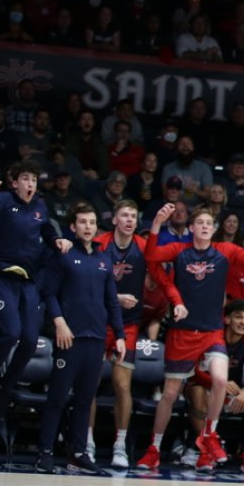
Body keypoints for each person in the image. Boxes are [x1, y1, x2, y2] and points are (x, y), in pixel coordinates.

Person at [134, 206, 244, 470]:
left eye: (208, 223)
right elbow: (152, 254)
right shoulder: (179, 250)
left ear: (214, 229)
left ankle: (209, 436)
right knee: (169, 394)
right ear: (191, 228)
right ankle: (154, 448)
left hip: (211, 332)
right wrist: (156, 222)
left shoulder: (226, 250)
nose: (203, 226)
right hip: (182, 332)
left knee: (221, 379)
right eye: (199, 222)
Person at [0, 159, 69, 416]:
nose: (30, 184)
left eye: (34, 180)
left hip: (28, 280)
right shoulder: (3, 200)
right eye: (25, 179)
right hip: (3, 276)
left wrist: (57, 240)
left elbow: (46, 229)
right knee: (11, 334)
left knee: (30, 341)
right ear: (15, 183)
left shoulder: (39, 206)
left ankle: (5, 386)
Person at [34, 203, 124, 475]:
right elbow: (48, 293)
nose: (88, 226)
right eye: (82, 222)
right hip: (68, 338)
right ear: (73, 227)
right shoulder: (63, 254)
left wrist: (119, 334)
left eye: (92, 222)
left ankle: (78, 452)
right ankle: (45, 452)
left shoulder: (104, 258)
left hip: (96, 337)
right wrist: (59, 323)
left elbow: (111, 300)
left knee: (86, 399)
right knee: (58, 397)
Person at [182, 299, 244, 474]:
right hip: (208, 390)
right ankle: (205, 450)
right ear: (227, 319)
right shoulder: (213, 336)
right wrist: (216, 382)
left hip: (231, 395)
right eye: (238, 317)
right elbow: (192, 370)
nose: (243, 322)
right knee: (196, 390)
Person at [92, 199, 149, 468]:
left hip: (127, 324)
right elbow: (87, 284)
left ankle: (120, 445)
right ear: (114, 220)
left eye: (133, 216)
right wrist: (115, 298)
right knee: (88, 384)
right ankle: (86, 442)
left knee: (122, 384)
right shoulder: (100, 244)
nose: (129, 220)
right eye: (124, 215)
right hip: (96, 320)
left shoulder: (143, 247)